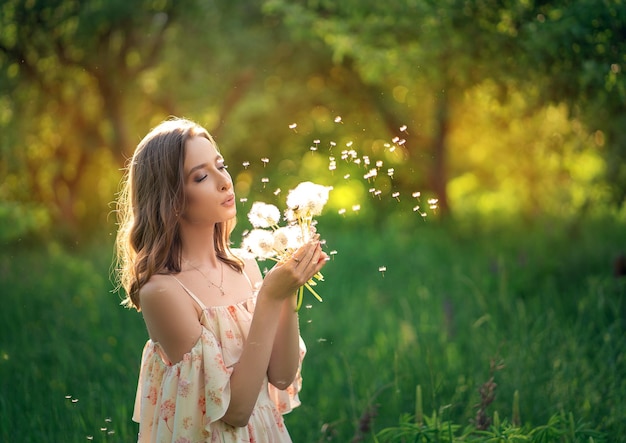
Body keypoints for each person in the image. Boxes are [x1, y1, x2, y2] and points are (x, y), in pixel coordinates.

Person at [114, 117, 328, 442]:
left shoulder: (247, 265)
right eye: (201, 176)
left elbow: (282, 377)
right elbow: (235, 412)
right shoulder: (163, 291)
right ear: (170, 198)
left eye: (221, 165)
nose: (224, 182)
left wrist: (288, 289)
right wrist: (271, 296)